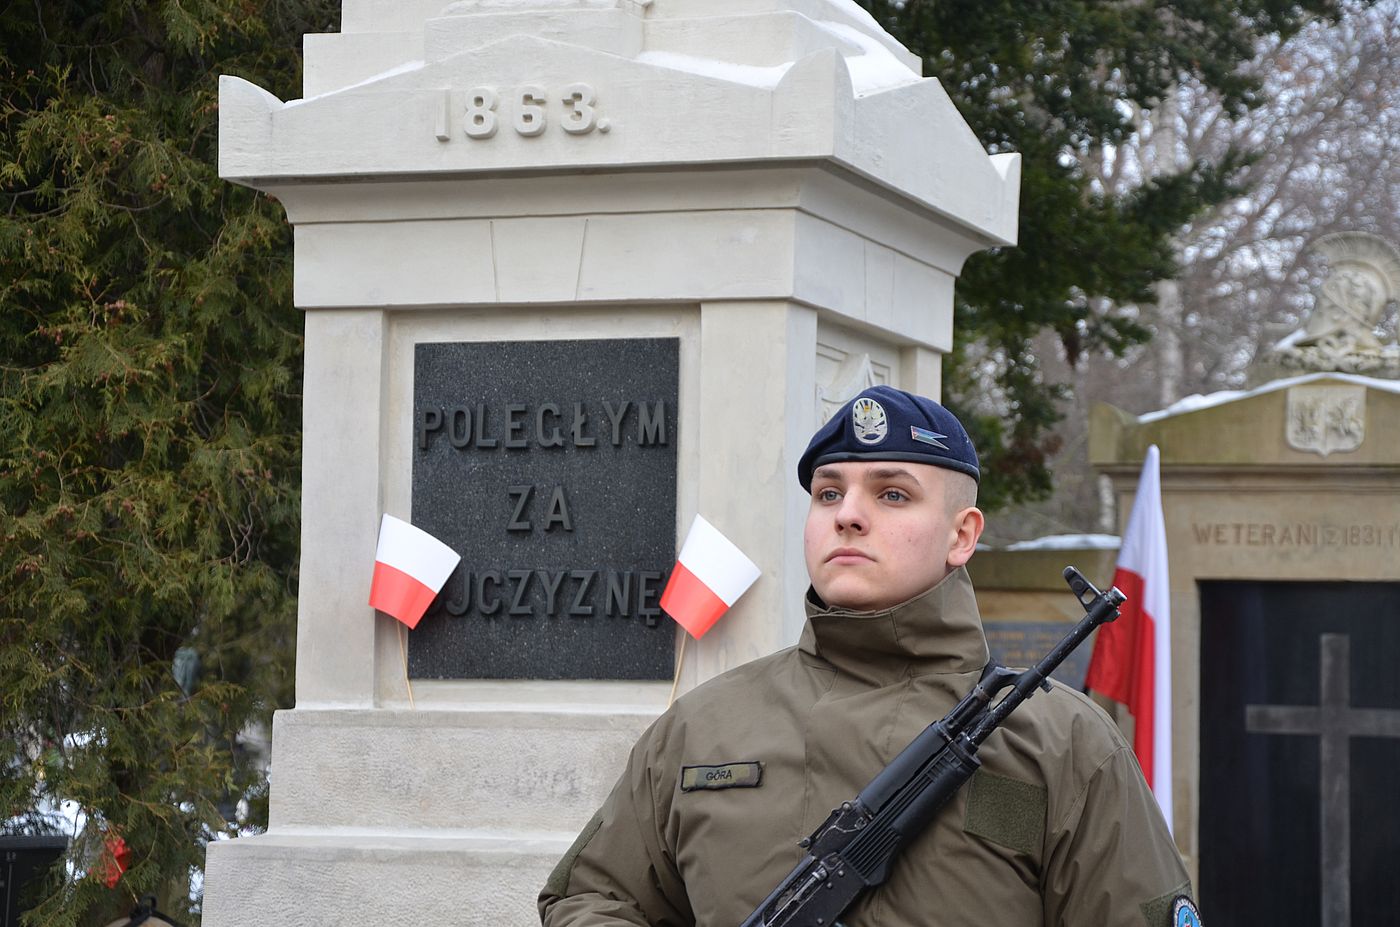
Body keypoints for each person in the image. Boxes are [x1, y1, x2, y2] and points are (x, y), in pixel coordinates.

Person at [539, 385, 1195, 927]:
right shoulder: (701, 727)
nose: (848, 515)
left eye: (892, 494)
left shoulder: (1062, 741)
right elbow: (590, 898)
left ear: (962, 534)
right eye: (828, 493)